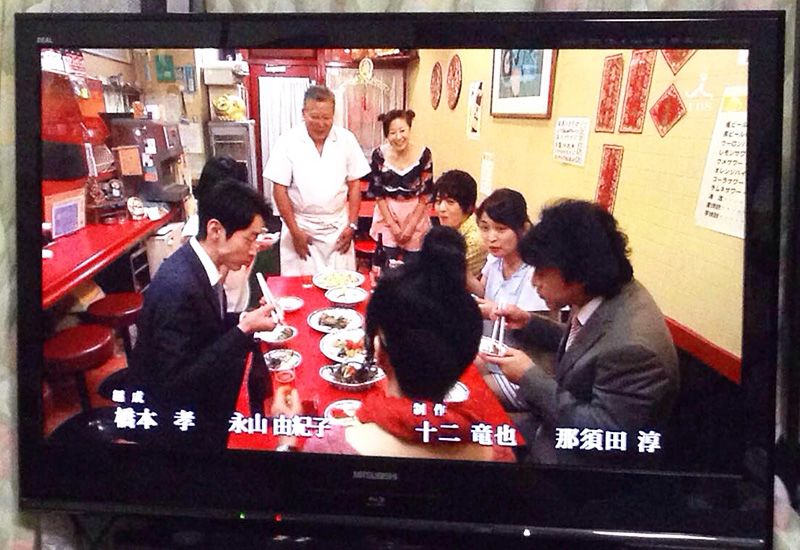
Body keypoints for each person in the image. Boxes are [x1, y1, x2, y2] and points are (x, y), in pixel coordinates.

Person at [294, 227, 514, 462]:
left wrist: (286, 445)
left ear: (379, 351)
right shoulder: (498, 454)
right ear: (467, 357)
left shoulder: (327, 447)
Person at [486, 199, 679, 465]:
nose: (534, 281)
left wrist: (529, 377)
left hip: (579, 468)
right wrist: (530, 323)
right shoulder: (605, 290)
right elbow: (586, 346)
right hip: (550, 429)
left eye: (541, 272)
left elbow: (604, 436)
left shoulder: (634, 349)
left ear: (578, 272)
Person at [127, 179, 278, 449]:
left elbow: (206, 328)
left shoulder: (200, 264)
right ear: (215, 230)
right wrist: (243, 330)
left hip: (196, 397)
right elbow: (176, 384)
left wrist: (246, 319)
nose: (254, 248)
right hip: (173, 426)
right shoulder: (178, 286)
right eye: (250, 238)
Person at [264, 85, 371, 275]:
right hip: (300, 226)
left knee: (341, 284)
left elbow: (354, 185)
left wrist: (352, 225)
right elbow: (279, 189)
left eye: (326, 118)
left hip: (338, 228)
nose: (321, 124)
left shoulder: (346, 139)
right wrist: (295, 232)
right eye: (314, 117)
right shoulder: (287, 141)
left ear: (333, 116)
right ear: (303, 113)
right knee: (301, 286)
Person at [464, 188, 547, 412]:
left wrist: (493, 309)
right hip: (492, 353)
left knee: (462, 388)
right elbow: (483, 293)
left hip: (521, 370)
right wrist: (460, 270)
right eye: (485, 228)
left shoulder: (536, 273)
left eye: (501, 229)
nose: (491, 237)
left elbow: (535, 332)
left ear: (524, 229)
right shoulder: (496, 260)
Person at [183, 156, 276, 312]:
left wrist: (250, 242)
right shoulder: (196, 232)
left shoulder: (235, 225)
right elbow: (211, 290)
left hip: (237, 308)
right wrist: (229, 254)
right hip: (223, 311)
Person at [368, 109, 433, 263]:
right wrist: (393, 226)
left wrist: (410, 227)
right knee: (385, 264)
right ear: (386, 135)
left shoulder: (424, 154)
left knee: (414, 267)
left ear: (409, 129)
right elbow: (378, 194)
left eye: (402, 131)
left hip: (415, 214)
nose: (398, 137)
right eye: (392, 133)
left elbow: (426, 194)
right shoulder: (379, 155)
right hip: (387, 213)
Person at [433, 169, 487, 277]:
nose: (442, 208)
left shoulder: (475, 239)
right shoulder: (448, 228)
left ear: (468, 207)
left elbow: (445, 274)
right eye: (438, 201)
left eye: (450, 202)